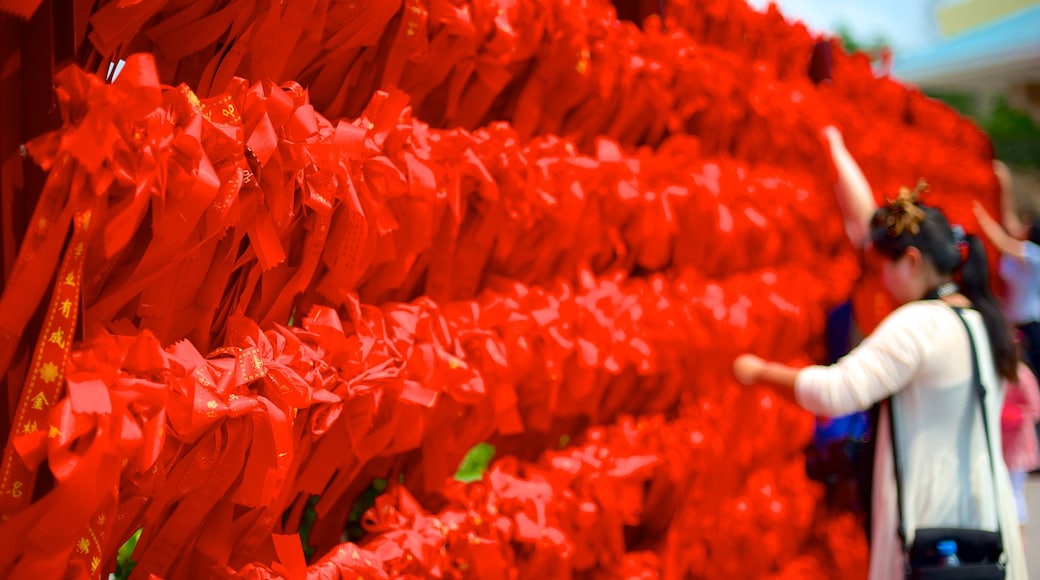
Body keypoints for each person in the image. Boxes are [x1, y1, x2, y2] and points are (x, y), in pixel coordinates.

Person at [732, 183, 1028, 579]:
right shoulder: (979, 320)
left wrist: (758, 371)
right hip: (982, 514)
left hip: (931, 519)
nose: (881, 283)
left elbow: (835, 392)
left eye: (881, 269)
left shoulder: (920, 323)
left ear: (911, 260)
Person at [1001, 352, 1040, 536]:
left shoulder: (1022, 375)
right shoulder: (998, 372)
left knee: (1014, 492)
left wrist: (1014, 414)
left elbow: (1035, 408)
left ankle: (1019, 536)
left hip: (1019, 446)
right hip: (1000, 443)